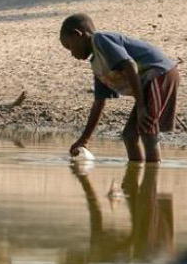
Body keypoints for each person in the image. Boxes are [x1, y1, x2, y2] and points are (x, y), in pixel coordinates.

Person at [60, 14, 180, 162]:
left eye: (70, 47)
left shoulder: (100, 40)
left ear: (77, 34)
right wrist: (84, 140)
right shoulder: (98, 65)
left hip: (159, 75)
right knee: (130, 135)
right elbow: (99, 103)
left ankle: (151, 179)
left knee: (147, 131)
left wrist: (141, 107)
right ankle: (134, 182)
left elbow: (130, 65)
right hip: (146, 87)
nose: (72, 54)